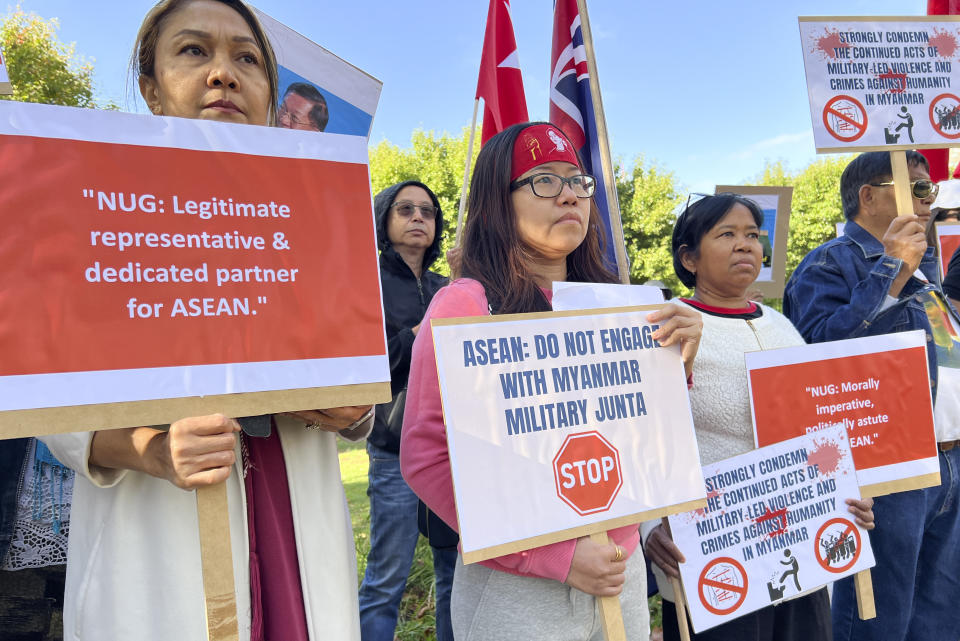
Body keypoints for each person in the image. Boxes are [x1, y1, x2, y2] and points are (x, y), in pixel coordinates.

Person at [40, 2, 372, 640]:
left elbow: (360, 386)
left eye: (246, 58)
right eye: (194, 51)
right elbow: (51, 412)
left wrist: (352, 410)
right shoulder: (88, 213)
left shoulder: (321, 226)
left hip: (292, 528)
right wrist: (155, 451)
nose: (224, 73)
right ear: (150, 88)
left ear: (270, 93)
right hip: (159, 539)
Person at [400, 121, 703, 641]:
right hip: (516, 590)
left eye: (576, 180)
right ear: (499, 200)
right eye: (542, 180)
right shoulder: (466, 305)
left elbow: (642, 435)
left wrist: (680, 367)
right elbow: (428, 455)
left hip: (618, 572)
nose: (568, 194)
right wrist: (553, 556)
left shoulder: (620, 306)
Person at [644, 193, 874, 641]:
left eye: (752, 235)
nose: (745, 245)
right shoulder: (668, 328)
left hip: (800, 547)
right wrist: (650, 527)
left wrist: (848, 492)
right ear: (688, 258)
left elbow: (817, 427)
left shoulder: (781, 325)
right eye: (726, 234)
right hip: (715, 558)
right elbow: (641, 435)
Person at [784, 151, 960, 641]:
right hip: (885, 470)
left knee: (940, 619)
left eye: (932, 191)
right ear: (868, 195)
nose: (928, 201)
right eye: (918, 189)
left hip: (947, 462)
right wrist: (891, 271)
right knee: (878, 621)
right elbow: (820, 357)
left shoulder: (926, 266)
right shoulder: (828, 264)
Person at [358, 181, 456, 641]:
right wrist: (416, 336)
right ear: (385, 218)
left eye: (428, 211)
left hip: (449, 452)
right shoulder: (365, 280)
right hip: (393, 453)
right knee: (386, 581)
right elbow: (366, 364)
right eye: (406, 209)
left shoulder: (450, 288)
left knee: (453, 574)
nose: (419, 217)